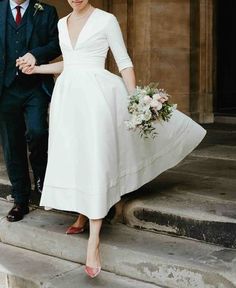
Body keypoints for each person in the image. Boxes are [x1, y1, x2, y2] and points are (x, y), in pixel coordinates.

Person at [17, 0, 206, 278]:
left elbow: (124, 62)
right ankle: (82, 213)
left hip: (97, 100)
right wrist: (38, 69)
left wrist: (135, 101)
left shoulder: (106, 20)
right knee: (77, 160)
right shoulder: (61, 23)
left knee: (95, 160)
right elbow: (70, 64)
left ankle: (93, 241)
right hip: (67, 101)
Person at [0, 0, 61, 222]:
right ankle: (20, 200)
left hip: (35, 87)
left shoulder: (47, 11)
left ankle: (42, 178)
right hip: (5, 90)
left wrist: (36, 54)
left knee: (38, 132)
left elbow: (58, 43)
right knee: (11, 144)